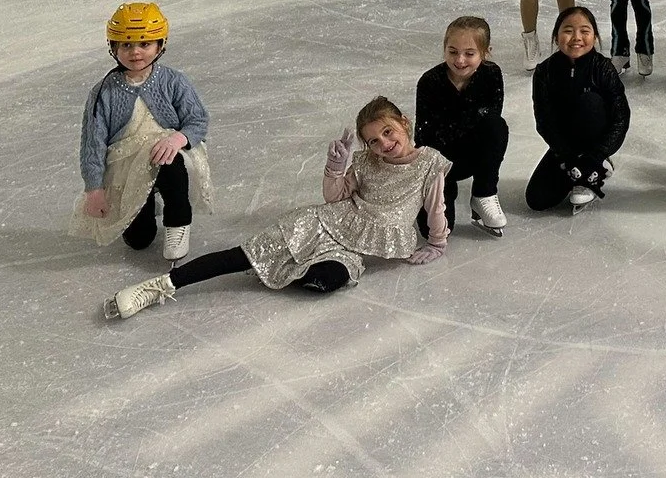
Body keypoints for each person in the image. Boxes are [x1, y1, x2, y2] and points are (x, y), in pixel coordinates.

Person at [105, 97, 448, 320]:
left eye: (388, 132)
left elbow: (436, 206)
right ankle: (160, 286)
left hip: (352, 249)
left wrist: (436, 242)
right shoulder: (366, 161)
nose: (383, 144)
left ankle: (276, 263)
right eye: (373, 140)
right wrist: (336, 168)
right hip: (323, 223)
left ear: (403, 122)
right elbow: (335, 198)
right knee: (240, 256)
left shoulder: (429, 162)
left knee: (325, 281)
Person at [71, 2, 211, 267]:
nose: (135, 52)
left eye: (145, 44)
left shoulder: (173, 81)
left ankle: (177, 222)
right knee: (139, 240)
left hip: (168, 152)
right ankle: (146, 205)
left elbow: (197, 119)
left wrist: (178, 138)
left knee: (171, 164)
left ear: (160, 45)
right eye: (126, 45)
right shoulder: (103, 92)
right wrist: (94, 188)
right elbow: (93, 143)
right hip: (126, 164)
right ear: (113, 47)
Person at [527, 7, 630, 214]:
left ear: (595, 36)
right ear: (556, 36)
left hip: (595, 142)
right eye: (568, 30)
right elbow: (544, 120)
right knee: (537, 199)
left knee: (589, 102)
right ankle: (578, 169)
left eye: (584, 31)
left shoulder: (603, 68)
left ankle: (595, 170)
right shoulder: (544, 72)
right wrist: (566, 156)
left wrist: (598, 154)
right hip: (566, 146)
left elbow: (620, 117)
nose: (576, 38)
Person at [413, 15, 508, 237]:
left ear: (485, 53)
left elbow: (490, 121)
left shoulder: (491, 75)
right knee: (436, 231)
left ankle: (484, 193)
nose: (460, 60)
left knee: (496, 126)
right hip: (438, 162)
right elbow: (425, 137)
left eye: (470, 53)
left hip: (473, 156)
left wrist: (459, 123)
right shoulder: (430, 82)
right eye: (453, 51)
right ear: (444, 48)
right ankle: (447, 189)